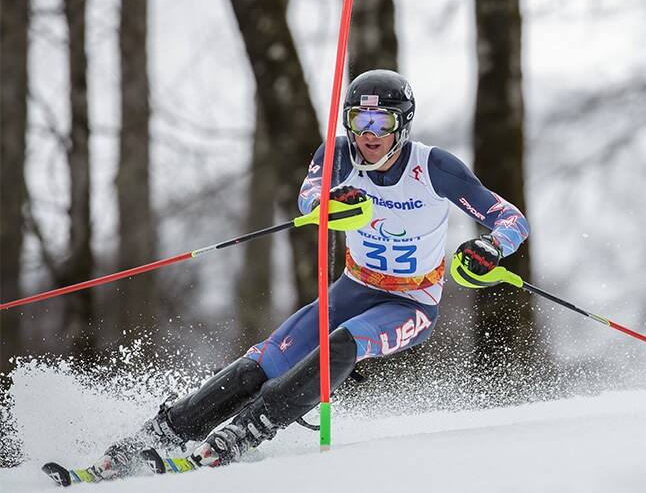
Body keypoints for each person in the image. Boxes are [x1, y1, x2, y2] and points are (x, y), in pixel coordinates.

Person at [92, 69, 530, 478]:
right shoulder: (340, 155)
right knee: (264, 362)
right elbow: (309, 196)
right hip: (353, 289)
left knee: (346, 341)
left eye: (382, 122)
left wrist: (491, 247)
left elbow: (511, 219)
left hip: (411, 304)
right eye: (359, 121)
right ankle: (158, 434)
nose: (369, 135)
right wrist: (327, 205)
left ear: (403, 124)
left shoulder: (434, 168)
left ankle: (245, 431)